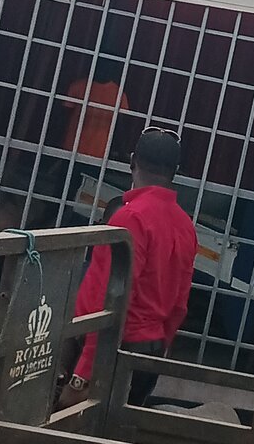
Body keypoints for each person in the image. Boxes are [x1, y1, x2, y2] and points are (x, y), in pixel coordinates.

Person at [57, 127, 197, 410]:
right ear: (175, 171)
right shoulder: (185, 225)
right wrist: (161, 348)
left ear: (132, 161)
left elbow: (111, 298)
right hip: (149, 352)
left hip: (111, 352)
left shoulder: (130, 217)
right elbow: (180, 303)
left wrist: (82, 377)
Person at [62, 59, 130, 159]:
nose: (105, 69)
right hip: (72, 149)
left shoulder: (119, 94)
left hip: (99, 154)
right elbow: (62, 120)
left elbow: (119, 127)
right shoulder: (78, 86)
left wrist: (121, 153)